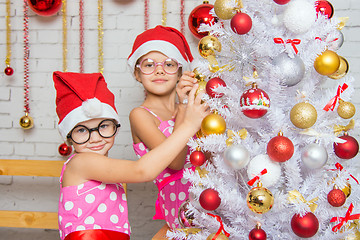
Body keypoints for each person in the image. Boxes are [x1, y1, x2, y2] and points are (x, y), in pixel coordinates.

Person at [53, 71, 208, 240]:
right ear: (68, 137)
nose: (95, 137)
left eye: (103, 126)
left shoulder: (100, 166)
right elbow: (141, 171)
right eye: (82, 130)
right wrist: (189, 125)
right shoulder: (81, 162)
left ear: (115, 128)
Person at [127, 25, 199, 229]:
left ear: (179, 73)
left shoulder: (187, 109)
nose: (159, 69)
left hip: (207, 193)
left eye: (169, 64)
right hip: (179, 203)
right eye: (149, 65)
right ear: (137, 74)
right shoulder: (140, 116)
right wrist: (184, 106)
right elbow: (176, 162)